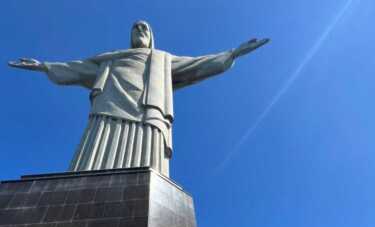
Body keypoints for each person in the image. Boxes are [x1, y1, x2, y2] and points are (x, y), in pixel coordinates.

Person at [9, 21, 269, 177]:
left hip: (149, 112)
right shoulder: (111, 58)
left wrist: (233, 53)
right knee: (91, 161)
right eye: (135, 27)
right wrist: (43, 66)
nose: (139, 29)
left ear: (151, 36)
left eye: (144, 27)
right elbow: (75, 68)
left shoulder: (163, 59)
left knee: (149, 168)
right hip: (108, 109)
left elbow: (197, 64)